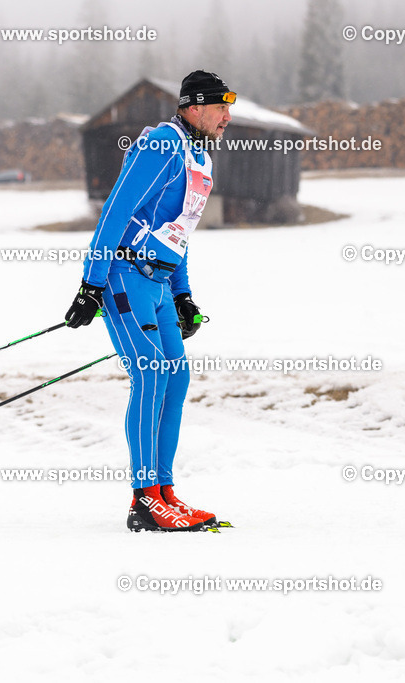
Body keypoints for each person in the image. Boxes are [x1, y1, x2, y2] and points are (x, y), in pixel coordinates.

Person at [64, 70, 235, 532]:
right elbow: (116, 209)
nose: (227, 117)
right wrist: (91, 283)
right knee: (151, 374)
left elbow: (178, 231)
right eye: (220, 107)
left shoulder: (199, 157)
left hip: (159, 283)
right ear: (194, 107)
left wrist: (183, 294)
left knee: (175, 378)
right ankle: (143, 501)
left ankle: (163, 492)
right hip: (124, 276)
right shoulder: (162, 144)